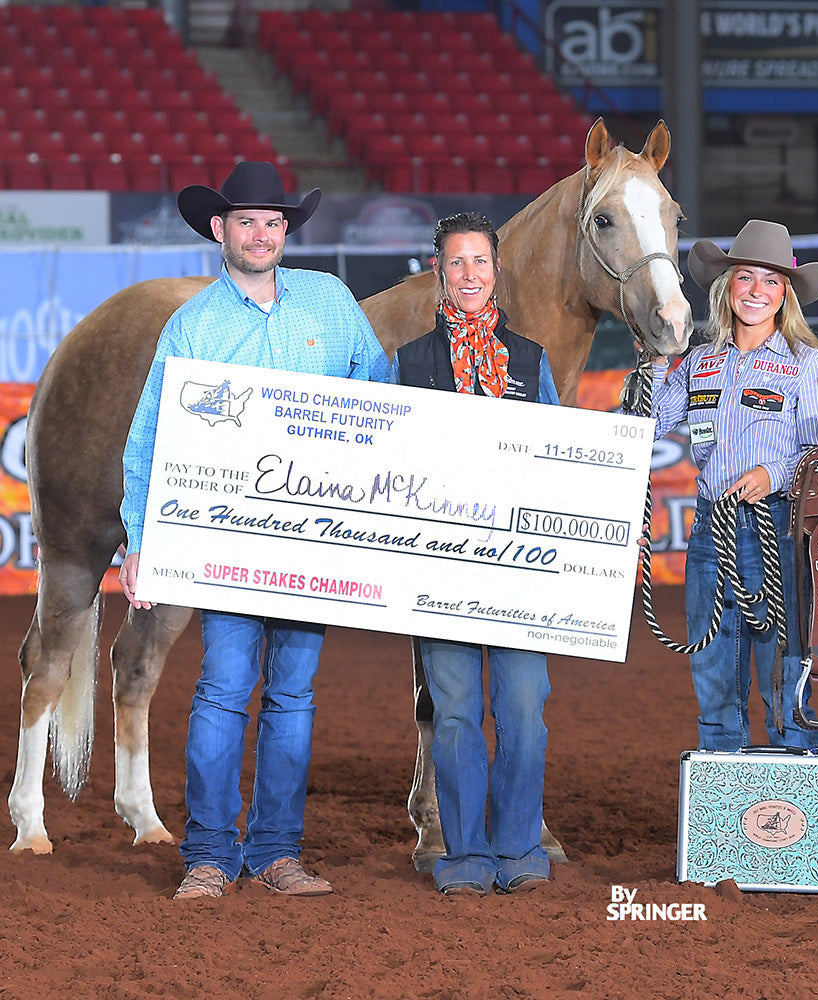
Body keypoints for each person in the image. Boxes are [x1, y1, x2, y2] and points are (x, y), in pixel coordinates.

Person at [119, 161, 395, 900]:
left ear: (286, 231)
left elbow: (380, 393)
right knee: (223, 689)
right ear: (220, 229)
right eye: (247, 222)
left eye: (274, 223)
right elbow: (148, 437)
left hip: (312, 536)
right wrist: (138, 538)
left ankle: (276, 850)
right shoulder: (193, 325)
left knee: (292, 697)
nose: (262, 234)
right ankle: (210, 854)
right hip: (228, 539)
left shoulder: (330, 301)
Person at [395, 211, 560, 896]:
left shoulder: (531, 362)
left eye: (480, 261)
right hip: (442, 569)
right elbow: (390, 465)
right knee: (457, 711)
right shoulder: (409, 364)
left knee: (523, 709)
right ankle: (463, 854)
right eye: (456, 262)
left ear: (497, 270)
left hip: (519, 570)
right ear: (439, 272)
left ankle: (520, 847)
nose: (470, 274)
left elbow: (561, 460)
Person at [641, 219, 818, 752]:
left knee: (784, 665)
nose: (756, 290)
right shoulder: (698, 363)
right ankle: (722, 779)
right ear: (727, 286)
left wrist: (774, 473)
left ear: (785, 294)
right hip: (712, 527)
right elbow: (646, 427)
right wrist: (656, 362)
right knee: (712, 666)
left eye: (771, 280)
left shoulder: (808, 366)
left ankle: (797, 781)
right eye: (745, 276)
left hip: (779, 525)